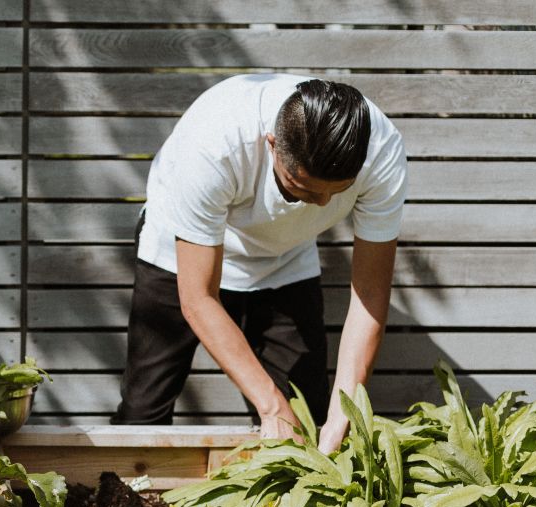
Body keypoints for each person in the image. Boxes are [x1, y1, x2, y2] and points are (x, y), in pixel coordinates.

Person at [112, 74, 408, 452]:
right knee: (143, 413)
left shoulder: (381, 152)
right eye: (301, 188)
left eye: (337, 193)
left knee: (305, 418)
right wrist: (269, 405)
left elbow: (369, 293)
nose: (320, 205)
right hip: (178, 254)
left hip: (285, 258)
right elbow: (198, 298)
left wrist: (343, 413)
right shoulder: (214, 144)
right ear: (272, 145)